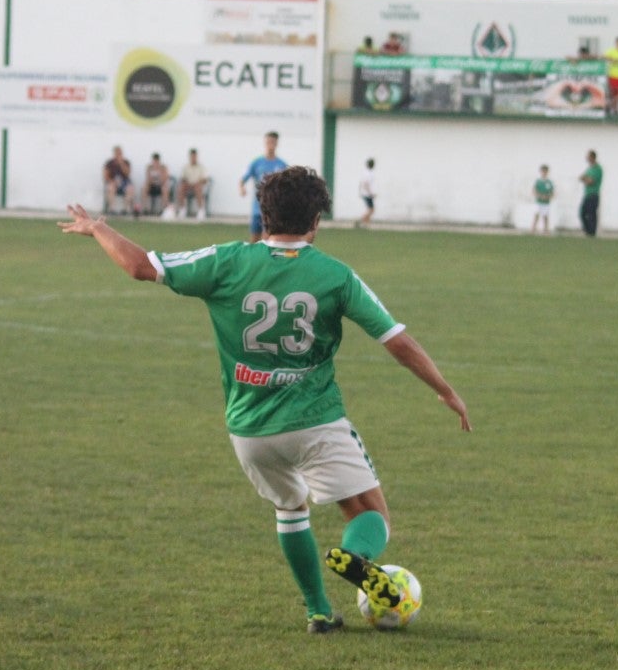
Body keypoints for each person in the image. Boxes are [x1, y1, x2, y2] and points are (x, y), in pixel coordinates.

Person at [57, 166, 471, 633]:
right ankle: (354, 558)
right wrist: (446, 390)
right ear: (316, 220)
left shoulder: (228, 261)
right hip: (315, 420)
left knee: (290, 509)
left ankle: (318, 611)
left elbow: (140, 266)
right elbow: (398, 343)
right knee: (371, 513)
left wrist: (99, 227)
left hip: (249, 430)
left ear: (263, 215)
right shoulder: (335, 275)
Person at [239, 131, 288, 242]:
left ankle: (265, 259)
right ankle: (253, 259)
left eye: (273, 142)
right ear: (265, 143)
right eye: (268, 142)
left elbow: (287, 185)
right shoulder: (257, 163)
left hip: (272, 209)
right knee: (254, 241)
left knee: (267, 239)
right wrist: (242, 188)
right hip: (257, 208)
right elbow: (243, 179)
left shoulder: (282, 165)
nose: (270, 144)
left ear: (276, 144)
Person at [174, 147, 211, 219]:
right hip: (188, 186)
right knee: (181, 187)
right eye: (192, 156)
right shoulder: (186, 167)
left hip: (198, 186)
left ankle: (201, 210)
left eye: (195, 156)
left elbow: (205, 179)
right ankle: (182, 209)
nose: (193, 158)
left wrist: (198, 183)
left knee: (197, 187)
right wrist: (187, 183)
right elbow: (183, 178)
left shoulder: (201, 167)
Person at [103, 146, 140, 217]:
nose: (118, 155)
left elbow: (127, 173)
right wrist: (112, 181)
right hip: (113, 182)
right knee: (111, 187)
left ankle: (126, 210)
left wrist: (121, 163)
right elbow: (105, 176)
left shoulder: (126, 162)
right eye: (117, 153)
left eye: (119, 153)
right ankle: (112, 209)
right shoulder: (109, 163)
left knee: (130, 188)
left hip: (124, 183)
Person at [579, 150, 602, 237]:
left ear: (592, 157)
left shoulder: (598, 169)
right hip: (587, 194)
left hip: (594, 194)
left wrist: (585, 179)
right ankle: (587, 231)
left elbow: (590, 181)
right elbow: (583, 177)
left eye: (588, 156)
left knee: (592, 214)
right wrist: (584, 178)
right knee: (583, 212)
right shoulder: (590, 168)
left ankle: (592, 233)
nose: (587, 158)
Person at [531, 164, 554, 234]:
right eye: (543, 171)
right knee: (536, 214)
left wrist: (547, 196)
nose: (544, 173)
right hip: (539, 201)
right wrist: (539, 196)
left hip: (546, 202)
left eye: (545, 171)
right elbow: (534, 190)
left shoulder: (549, 182)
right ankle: (533, 229)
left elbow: (552, 192)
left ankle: (546, 229)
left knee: (545, 216)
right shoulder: (538, 181)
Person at [357, 158, 376, 228]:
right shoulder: (369, 173)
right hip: (367, 194)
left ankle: (366, 224)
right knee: (371, 209)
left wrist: (359, 191)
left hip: (364, 193)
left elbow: (361, 183)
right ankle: (361, 220)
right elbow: (366, 184)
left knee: (369, 209)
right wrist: (371, 193)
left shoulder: (365, 172)